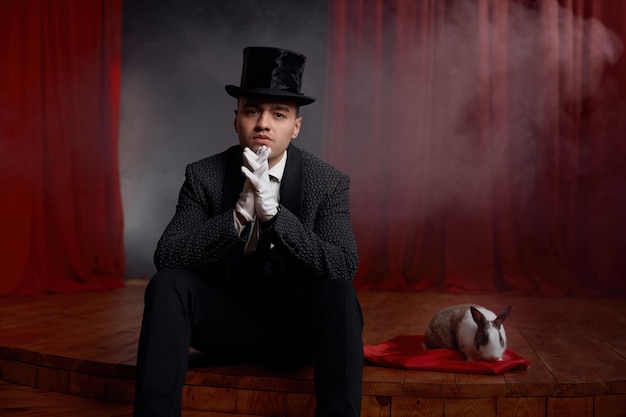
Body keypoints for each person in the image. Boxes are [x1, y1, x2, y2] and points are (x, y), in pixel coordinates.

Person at [133, 46, 364, 417]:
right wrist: (235, 220)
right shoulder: (204, 175)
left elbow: (344, 266)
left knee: (339, 293)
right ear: (236, 118)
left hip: (297, 333)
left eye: (279, 114)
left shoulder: (328, 182)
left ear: (296, 126)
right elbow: (168, 256)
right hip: (227, 328)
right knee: (168, 285)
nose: (264, 124)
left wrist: (277, 218)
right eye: (252, 111)